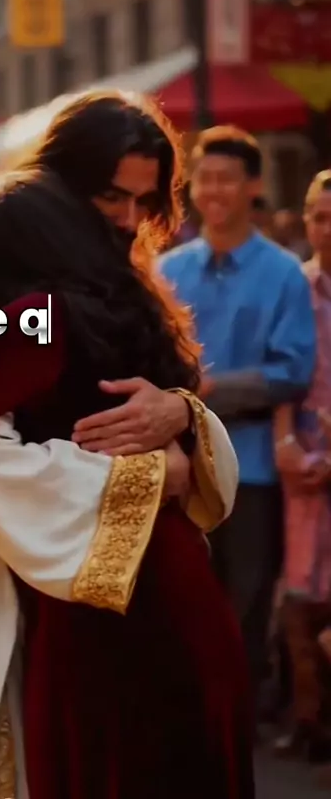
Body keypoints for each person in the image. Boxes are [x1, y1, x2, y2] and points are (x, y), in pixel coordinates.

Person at [0, 94, 248, 799]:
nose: (128, 220)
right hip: (148, 596)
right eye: (110, 197)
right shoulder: (66, 302)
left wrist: (180, 419)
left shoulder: (48, 309)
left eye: (143, 201)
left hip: (124, 614)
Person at [160, 125, 317, 705]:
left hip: (251, 467)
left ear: (254, 185)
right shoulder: (167, 270)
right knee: (183, 603)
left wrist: (203, 395)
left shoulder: (283, 273)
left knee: (246, 608)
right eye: (204, 178)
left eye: (227, 178)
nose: (213, 191)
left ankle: (241, 725)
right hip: (179, 467)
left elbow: (292, 370)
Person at [273, 170, 331, 762]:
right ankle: (307, 719)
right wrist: (286, 443)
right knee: (297, 596)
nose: (327, 228)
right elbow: (283, 373)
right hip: (299, 460)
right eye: (319, 216)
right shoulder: (295, 287)